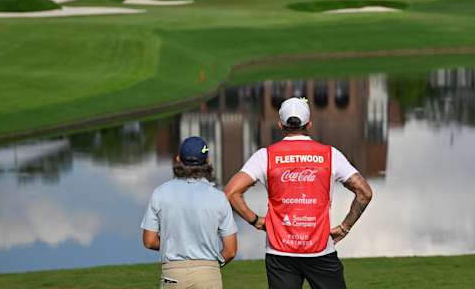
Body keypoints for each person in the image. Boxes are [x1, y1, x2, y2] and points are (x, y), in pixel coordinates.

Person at [225, 97, 373, 289]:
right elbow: (364, 192)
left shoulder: (265, 156)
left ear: (280, 124)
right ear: (309, 124)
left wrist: (256, 221)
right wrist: (345, 227)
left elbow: (231, 192)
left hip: (280, 252)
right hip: (320, 250)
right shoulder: (330, 154)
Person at [141, 136, 238, 289]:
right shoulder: (219, 198)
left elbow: (149, 241)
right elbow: (230, 250)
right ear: (207, 161)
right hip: (208, 274)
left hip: (172, 275)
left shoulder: (160, 193)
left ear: (178, 159)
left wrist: (174, 243)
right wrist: (211, 266)